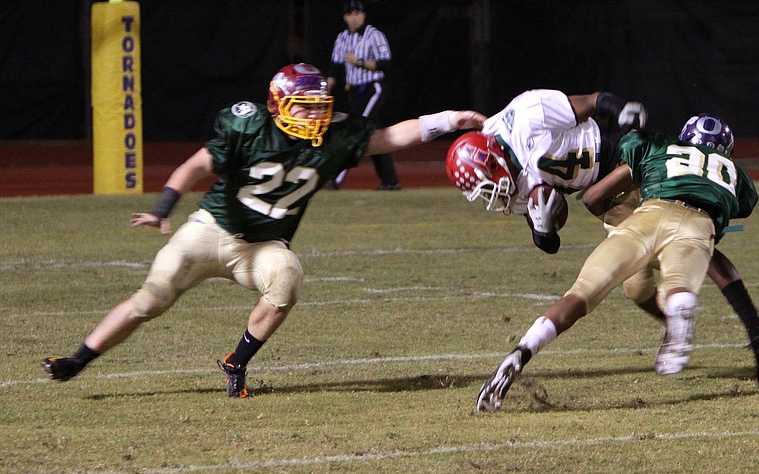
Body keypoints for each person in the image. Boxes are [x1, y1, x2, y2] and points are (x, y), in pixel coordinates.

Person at [41, 63, 486, 397]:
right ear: (278, 105)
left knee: (288, 277)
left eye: (319, 107)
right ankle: (79, 358)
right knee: (150, 299)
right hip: (212, 228)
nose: (314, 117)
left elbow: (391, 137)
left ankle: (237, 363)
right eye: (304, 107)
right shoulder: (249, 125)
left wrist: (451, 120)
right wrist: (163, 208)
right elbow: (196, 165)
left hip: (262, 246)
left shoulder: (334, 135)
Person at [447, 90, 759, 388]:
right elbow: (550, 240)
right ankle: (678, 322)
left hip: (623, 165)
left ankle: (756, 332)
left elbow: (593, 101)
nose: (496, 193)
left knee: (681, 245)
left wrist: (620, 111)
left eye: (490, 181)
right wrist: (543, 228)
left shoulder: (525, 115)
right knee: (641, 283)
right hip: (614, 197)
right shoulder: (513, 182)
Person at [327, 0, 400, 190]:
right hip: (354, 92)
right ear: (345, 17)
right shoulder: (342, 38)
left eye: (358, 13)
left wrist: (359, 62)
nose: (354, 17)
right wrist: (324, 91)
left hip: (372, 88)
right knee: (372, 134)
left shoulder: (373, 34)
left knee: (357, 130)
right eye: (350, 14)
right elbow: (335, 68)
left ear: (364, 15)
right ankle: (390, 181)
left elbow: (386, 64)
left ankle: (336, 178)